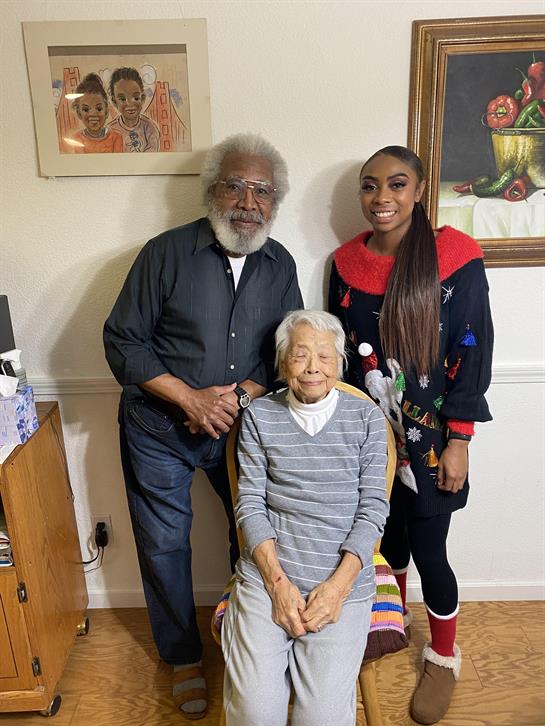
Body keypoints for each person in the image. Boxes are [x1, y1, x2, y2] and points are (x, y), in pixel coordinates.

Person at [103, 133, 303, 720]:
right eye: (235, 186)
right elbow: (122, 342)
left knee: (254, 537)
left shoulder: (281, 264)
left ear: (275, 201)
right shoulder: (164, 253)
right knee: (165, 544)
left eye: (262, 190)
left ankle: (249, 641)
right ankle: (183, 657)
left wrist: (237, 397)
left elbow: (283, 353)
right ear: (213, 191)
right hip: (157, 429)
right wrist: (189, 398)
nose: (248, 201)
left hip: (241, 427)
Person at [329, 145, 493, 725]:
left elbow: (473, 350)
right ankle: (389, 625)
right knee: (383, 545)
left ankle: (444, 656)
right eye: (370, 185)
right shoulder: (344, 264)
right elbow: (339, 361)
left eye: (397, 184)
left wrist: (460, 440)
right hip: (367, 443)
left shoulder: (457, 257)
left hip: (432, 445)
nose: (382, 198)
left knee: (429, 551)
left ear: (419, 190)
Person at [222, 309, 389, 726]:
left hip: (341, 583)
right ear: (283, 364)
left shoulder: (366, 417)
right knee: (254, 713)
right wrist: (277, 585)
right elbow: (249, 504)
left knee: (322, 718)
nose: (313, 367)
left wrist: (337, 588)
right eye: (299, 355)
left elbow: (373, 509)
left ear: (339, 362)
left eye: (324, 355)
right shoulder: (259, 416)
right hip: (268, 580)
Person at [62, 73, 123, 153]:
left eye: (99, 109)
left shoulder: (116, 138)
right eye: (86, 110)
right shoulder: (76, 139)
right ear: (79, 114)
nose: (93, 114)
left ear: (106, 112)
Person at [108, 67, 160, 152]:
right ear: (114, 102)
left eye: (136, 98)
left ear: (142, 99)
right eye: (122, 99)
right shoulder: (110, 130)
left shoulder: (150, 128)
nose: (130, 104)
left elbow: (151, 155)